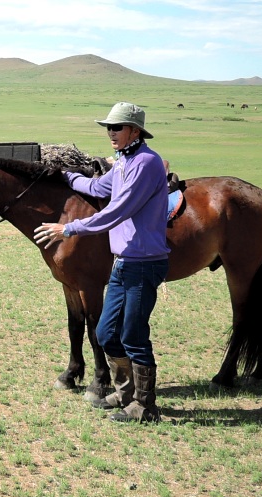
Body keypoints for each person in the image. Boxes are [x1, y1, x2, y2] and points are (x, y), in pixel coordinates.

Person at [33, 102, 169, 423]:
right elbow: (96, 187)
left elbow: (117, 210)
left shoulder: (145, 163)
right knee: (108, 332)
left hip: (144, 261)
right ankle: (124, 393)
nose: (111, 132)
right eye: (108, 127)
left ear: (135, 131)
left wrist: (69, 227)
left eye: (117, 127)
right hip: (123, 262)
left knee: (134, 335)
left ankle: (145, 407)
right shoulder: (122, 163)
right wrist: (66, 175)